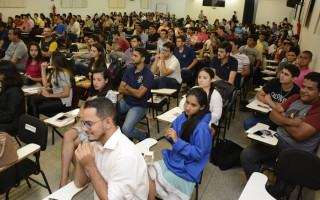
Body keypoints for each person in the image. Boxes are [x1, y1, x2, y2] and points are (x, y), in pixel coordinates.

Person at [240, 72, 320, 198]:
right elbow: (272, 114)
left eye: (310, 89)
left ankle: (268, 194)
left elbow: (299, 135)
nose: (304, 91)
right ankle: (260, 189)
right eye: (303, 86)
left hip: (296, 151)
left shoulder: (317, 109)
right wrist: (291, 121)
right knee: (247, 156)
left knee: (281, 189)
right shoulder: (295, 98)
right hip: (276, 140)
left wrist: (281, 120)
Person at [73, 98, 149, 199]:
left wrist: (90, 166)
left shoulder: (125, 156)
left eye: (89, 124)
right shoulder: (97, 143)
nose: (84, 129)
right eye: (83, 123)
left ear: (107, 122)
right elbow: (79, 183)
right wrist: (80, 161)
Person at [148, 87, 212, 200]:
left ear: (202, 107)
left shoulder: (202, 128)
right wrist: (169, 136)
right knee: (147, 172)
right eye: (187, 102)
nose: (188, 107)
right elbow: (174, 140)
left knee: (158, 181)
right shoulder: (182, 117)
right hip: (176, 159)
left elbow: (198, 154)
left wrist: (177, 141)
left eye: (193, 105)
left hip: (189, 167)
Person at [60, 67, 117, 187]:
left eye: (98, 80)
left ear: (106, 80)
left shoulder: (110, 94)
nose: (95, 82)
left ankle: (80, 171)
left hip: (95, 126)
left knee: (74, 144)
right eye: (94, 79)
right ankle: (64, 177)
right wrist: (80, 120)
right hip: (84, 123)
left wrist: (83, 115)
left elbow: (104, 116)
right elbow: (83, 109)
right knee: (67, 136)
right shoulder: (94, 93)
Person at [243, 64, 301, 130]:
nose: (282, 76)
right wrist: (278, 106)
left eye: (286, 74)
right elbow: (260, 95)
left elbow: (288, 112)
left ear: (293, 79)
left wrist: (270, 101)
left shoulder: (297, 92)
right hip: (268, 112)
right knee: (247, 123)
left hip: (282, 119)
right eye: (282, 72)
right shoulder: (275, 82)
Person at [118, 48, 154, 141]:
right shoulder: (129, 70)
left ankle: (144, 136)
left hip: (139, 106)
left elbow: (139, 95)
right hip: (126, 103)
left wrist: (128, 87)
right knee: (108, 111)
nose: (132, 57)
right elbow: (120, 88)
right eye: (132, 55)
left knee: (126, 129)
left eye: (135, 56)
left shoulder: (148, 74)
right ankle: (121, 139)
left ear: (142, 59)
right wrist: (135, 91)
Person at [27, 52, 74, 118]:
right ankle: (33, 124)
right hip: (57, 97)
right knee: (31, 99)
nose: (49, 60)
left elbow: (66, 93)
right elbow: (46, 85)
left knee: (36, 107)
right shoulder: (55, 71)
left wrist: (49, 95)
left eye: (51, 59)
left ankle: (35, 126)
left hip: (63, 101)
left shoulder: (63, 74)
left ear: (55, 61)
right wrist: (43, 69)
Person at [179, 67, 223, 134]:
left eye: (205, 78)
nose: (201, 80)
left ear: (211, 80)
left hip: (209, 121)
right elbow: (182, 103)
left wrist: (199, 117)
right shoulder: (194, 89)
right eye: (199, 77)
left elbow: (217, 115)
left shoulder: (216, 95)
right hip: (191, 117)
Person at [0, 60, 25, 133]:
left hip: (12, 123)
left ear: (5, 74)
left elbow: (9, 116)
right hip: (5, 118)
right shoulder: (7, 86)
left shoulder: (14, 92)